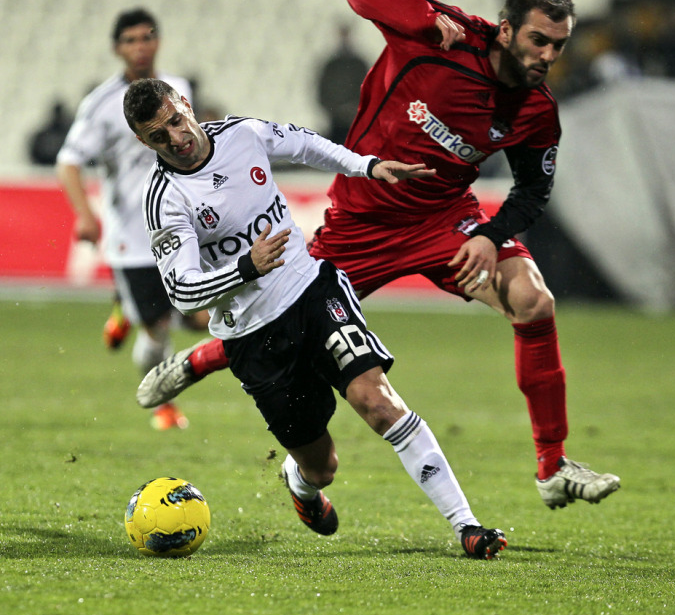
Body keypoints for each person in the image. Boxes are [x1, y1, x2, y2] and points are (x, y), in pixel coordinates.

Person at [139, 0, 621, 509]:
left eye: (559, 45)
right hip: (361, 222)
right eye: (539, 40)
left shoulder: (535, 110)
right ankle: (202, 359)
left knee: (533, 301)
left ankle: (552, 466)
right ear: (507, 31)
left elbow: (532, 190)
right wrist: (422, 18)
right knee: (285, 322)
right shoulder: (445, 36)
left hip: (445, 222)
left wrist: (490, 234)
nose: (549, 55)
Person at [123, 77, 507, 559]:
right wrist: (246, 267)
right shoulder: (165, 198)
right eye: (159, 136)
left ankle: (467, 526)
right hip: (252, 337)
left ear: (184, 104)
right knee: (322, 466)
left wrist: (367, 166)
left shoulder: (242, 134)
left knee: (378, 402)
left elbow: (306, 144)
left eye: (176, 121)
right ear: (144, 141)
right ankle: (299, 484)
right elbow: (181, 289)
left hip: (311, 291)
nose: (176, 138)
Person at [56, 8, 206, 430]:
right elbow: (69, 162)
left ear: (157, 41)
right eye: (130, 40)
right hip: (133, 237)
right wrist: (86, 215)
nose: (140, 47)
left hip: (180, 222)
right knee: (159, 330)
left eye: (147, 37)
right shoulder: (101, 104)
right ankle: (161, 403)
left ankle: (124, 307)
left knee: (201, 319)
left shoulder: (178, 88)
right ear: (116, 48)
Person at [316, 24, 370, 145]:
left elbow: (368, 88)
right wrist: (336, 109)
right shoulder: (331, 65)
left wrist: (354, 107)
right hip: (336, 121)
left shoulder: (359, 64)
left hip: (354, 119)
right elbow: (323, 91)